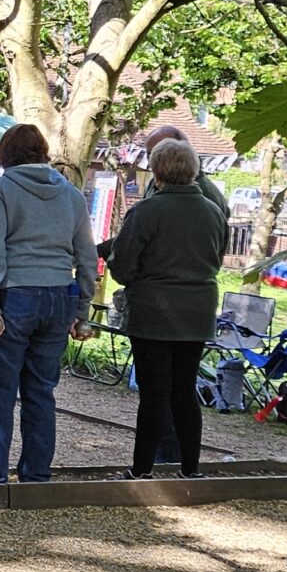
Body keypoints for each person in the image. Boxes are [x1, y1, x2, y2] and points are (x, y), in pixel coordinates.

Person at [0, 123, 99, 483]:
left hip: (15, 295)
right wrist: (83, 311)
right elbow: (87, 257)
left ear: (6, 154)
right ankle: (36, 475)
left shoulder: (2, 189)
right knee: (41, 391)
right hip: (60, 295)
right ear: (43, 152)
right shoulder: (73, 195)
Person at [107, 135, 228, 479]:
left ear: (156, 170)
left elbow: (123, 265)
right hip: (198, 309)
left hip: (154, 311)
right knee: (184, 390)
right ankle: (190, 468)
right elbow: (216, 259)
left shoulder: (147, 210)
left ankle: (142, 468)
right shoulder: (213, 211)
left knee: (153, 393)